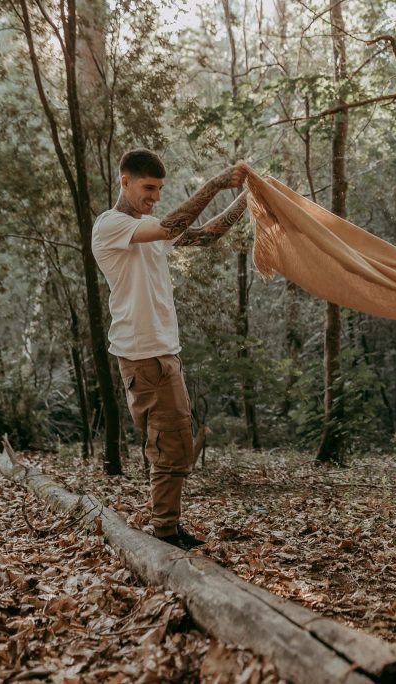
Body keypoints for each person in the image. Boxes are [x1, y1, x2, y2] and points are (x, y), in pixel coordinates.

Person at [92, 148, 250, 550]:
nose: (155, 196)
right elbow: (170, 226)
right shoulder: (110, 226)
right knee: (168, 447)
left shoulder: (148, 226)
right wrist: (215, 182)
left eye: (160, 189)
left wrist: (246, 199)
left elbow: (207, 235)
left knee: (176, 445)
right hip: (144, 355)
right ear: (124, 181)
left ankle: (168, 527)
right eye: (149, 188)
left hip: (163, 352)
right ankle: (164, 533)